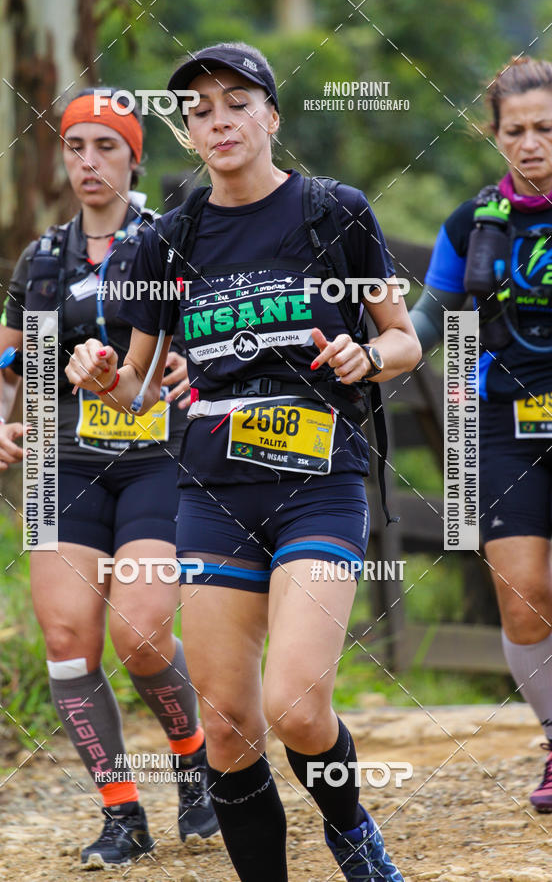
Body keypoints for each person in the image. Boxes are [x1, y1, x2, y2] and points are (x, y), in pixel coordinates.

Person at [66, 43, 420, 881]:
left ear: (271, 115)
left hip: (318, 483)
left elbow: (403, 338)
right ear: (189, 134)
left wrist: (369, 357)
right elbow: (140, 392)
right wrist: (104, 378)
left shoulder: (334, 212)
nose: (218, 121)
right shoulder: (169, 240)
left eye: (236, 102)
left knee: (295, 705)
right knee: (226, 726)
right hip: (213, 493)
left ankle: (352, 834)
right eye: (200, 111)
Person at [0, 88, 219, 867]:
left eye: (106, 146)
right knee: (66, 641)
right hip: (63, 464)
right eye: (75, 145)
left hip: (157, 458)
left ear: (134, 157)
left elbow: (213, 339)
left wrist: (186, 367)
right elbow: (0, 369)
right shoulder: (43, 259)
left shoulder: (169, 242)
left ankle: (194, 766)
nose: (88, 161)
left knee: (141, 635)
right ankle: (122, 814)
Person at [410, 56, 552, 812]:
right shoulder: (470, 224)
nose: (531, 144)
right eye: (516, 131)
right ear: (495, 135)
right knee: (524, 597)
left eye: (546, 129)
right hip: (500, 423)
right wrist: (374, 351)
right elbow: (428, 320)